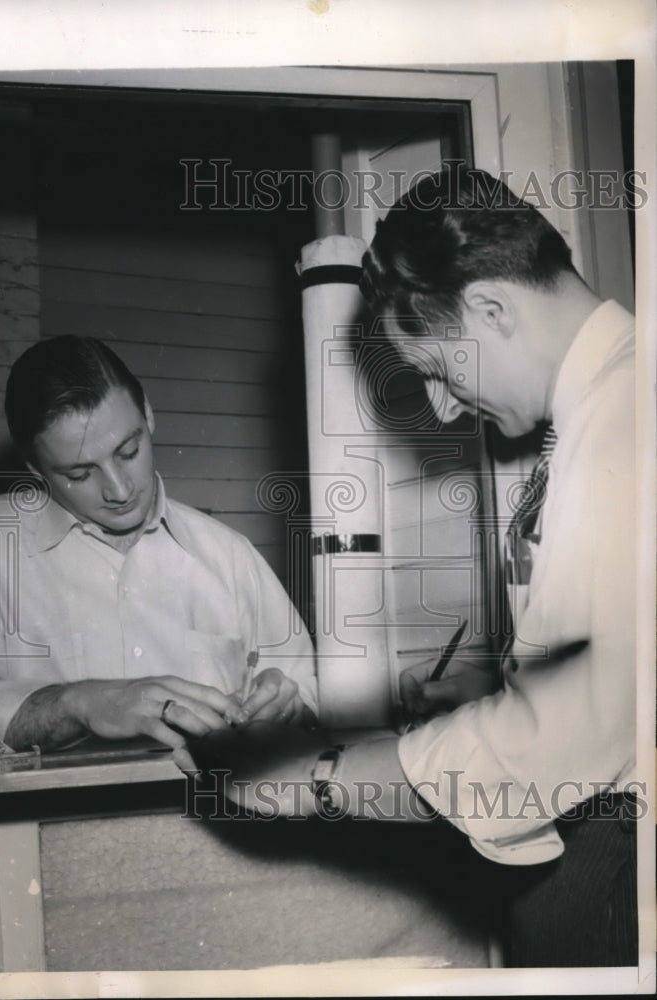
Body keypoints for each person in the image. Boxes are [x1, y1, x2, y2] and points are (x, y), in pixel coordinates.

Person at [188, 166, 638, 967]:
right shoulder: (603, 409)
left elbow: (547, 747)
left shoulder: (618, 427)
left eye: (435, 368)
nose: (439, 406)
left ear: (491, 309)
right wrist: (499, 687)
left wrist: (315, 779)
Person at [0, 335, 318, 762]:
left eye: (129, 451)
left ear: (148, 414)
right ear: (35, 468)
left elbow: (310, 691)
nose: (119, 490)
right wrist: (79, 705)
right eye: (80, 474)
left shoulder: (229, 555)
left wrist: (291, 705)